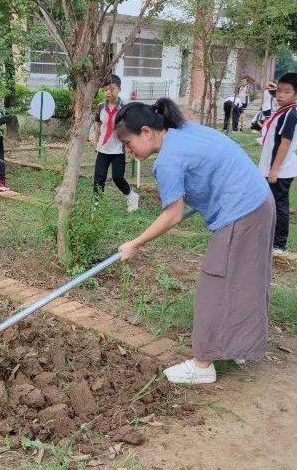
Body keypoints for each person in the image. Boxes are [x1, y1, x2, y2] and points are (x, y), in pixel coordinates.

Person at [115, 98, 274, 385]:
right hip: (258, 201)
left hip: (241, 212)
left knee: (214, 284)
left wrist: (135, 243)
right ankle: (239, 347)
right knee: (246, 280)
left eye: (128, 143)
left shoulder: (168, 161)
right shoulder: (183, 131)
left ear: (147, 132)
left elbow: (172, 215)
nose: (128, 151)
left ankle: (202, 366)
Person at [258, 72, 297, 255]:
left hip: (281, 170)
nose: (280, 95)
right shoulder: (282, 111)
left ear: (296, 94)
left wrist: (274, 169)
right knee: (268, 204)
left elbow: (285, 143)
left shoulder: (290, 114)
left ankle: (279, 244)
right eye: (279, 91)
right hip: (271, 167)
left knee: (279, 205)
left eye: (286, 92)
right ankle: (268, 239)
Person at [91, 74, 139, 212]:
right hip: (103, 148)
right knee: (98, 178)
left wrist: (131, 148)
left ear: (119, 89)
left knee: (117, 177)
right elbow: (98, 123)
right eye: (105, 90)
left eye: (111, 89)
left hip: (118, 149)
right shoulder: (100, 107)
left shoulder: (124, 108)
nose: (108, 92)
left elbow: (130, 129)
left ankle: (131, 196)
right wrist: (96, 141)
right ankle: (96, 206)